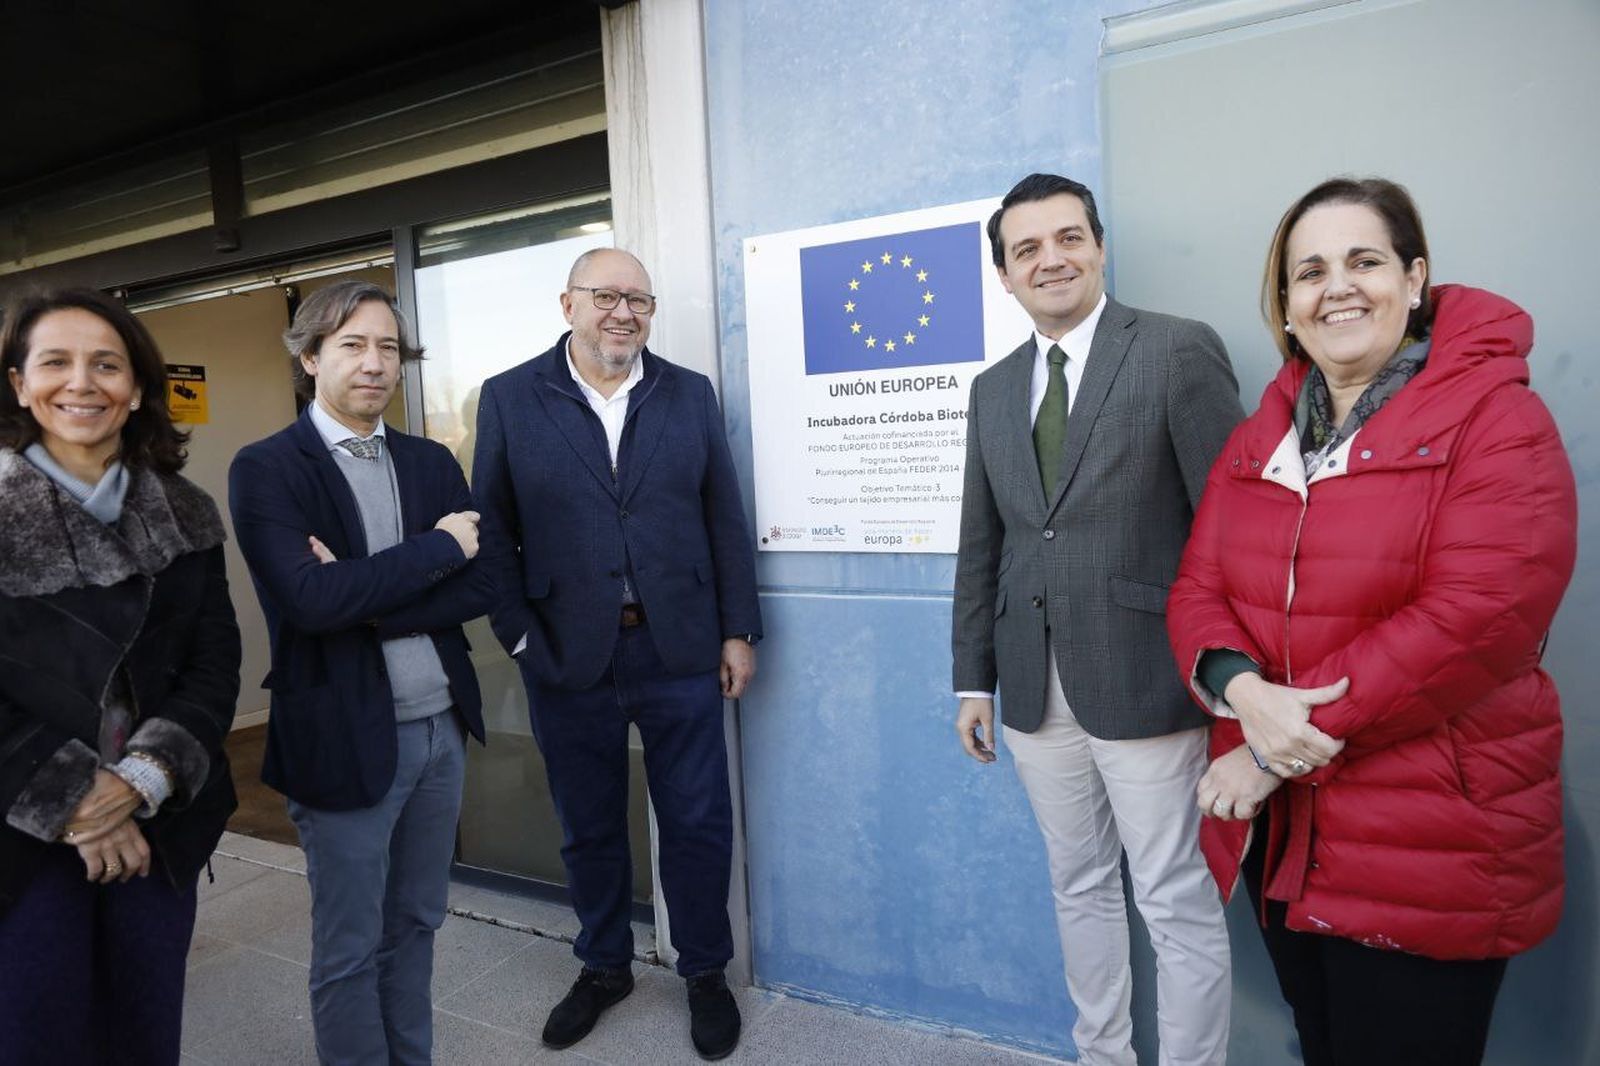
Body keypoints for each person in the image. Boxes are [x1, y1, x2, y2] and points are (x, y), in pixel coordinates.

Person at [1167, 177, 1577, 1066]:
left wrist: (1276, 743)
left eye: (1365, 260)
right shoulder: (1259, 438)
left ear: (1416, 275)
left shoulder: (1498, 421)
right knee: (1324, 1045)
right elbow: (1197, 587)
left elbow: (1479, 618)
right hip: (1284, 838)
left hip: (1429, 839)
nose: (1337, 287)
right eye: (1309, 271)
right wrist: (1241, 689)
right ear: (1286, 303)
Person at [952, 173, 1242, 1065]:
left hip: (1148, 678)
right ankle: (1103, 1056)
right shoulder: (993, 388)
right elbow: (984, 541)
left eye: (1068, 238)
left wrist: (1232, 676)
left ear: (1099, 245)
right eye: (1027, 249)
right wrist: (972, 678)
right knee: (1077, 887)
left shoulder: (1175, 350)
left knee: (1173, 899)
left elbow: (1233, 530)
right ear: (1004, 275)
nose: (1051, 259)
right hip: (1035, 690)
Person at [472, 248, 762, 1061]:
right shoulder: (509, 398)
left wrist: (737, 629)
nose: (623, 312)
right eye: (606, 296)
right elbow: (491, 533)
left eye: (639, 298)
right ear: (568, 303)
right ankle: (604, 966)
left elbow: (723, 518)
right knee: (588, 824)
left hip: (682, 650)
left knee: (699, 821)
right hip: (568, 654)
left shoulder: (687, 393)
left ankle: (705, 971)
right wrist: (521, 636)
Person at [228, 281, 495, 1065]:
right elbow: (310, 602)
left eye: (388, 348)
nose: (375, 364)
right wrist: (437, 551)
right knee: (349, 945)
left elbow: (486, 584)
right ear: (310, 358)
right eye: (352, 345)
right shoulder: (269, 469)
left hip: (441, 730)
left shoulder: (428, 460)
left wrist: (369, 601)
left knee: (415, 926)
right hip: (343, 738)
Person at [0, 288, 241, 1065]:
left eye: (107, 364)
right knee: (37, 1034)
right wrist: (75, 799)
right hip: (18, 834)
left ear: (136, 387)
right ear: (17, 384)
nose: (82, 383)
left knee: (144, 1030)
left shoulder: (188, 510)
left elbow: (214, 662)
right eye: (55, 363)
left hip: (160, 822)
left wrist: (140, 781)